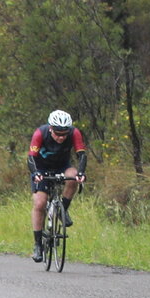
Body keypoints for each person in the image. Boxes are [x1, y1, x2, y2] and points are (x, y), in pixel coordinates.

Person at [27, 110, 87, 262]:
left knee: (73, 177)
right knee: (40, 203)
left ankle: (62, 210)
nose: (61, 137)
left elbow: (82, 155)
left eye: (64, 134)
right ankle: (38, 244)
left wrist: (81, 173)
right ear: (50, 129)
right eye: (57, 134)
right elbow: (31, 157)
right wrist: (35, 173)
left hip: (62, 166)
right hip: (41, 168)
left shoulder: (74, 133)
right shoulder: (40, 133)